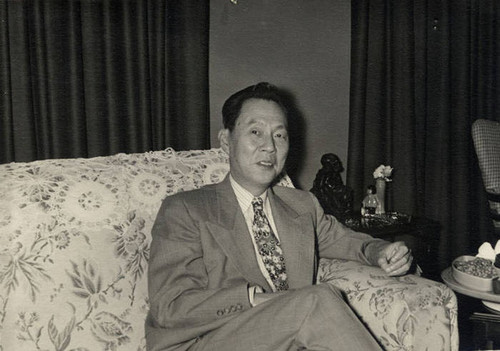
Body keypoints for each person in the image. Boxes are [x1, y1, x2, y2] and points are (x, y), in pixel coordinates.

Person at [145, 82, 413, 351]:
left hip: (284, 341)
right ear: (226, 141)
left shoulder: (301, 205)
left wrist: (381, 251)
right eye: (255, 132)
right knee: (317, 300)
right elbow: (169, 307)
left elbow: (348, 241)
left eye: (279, 136)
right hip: (204, 343)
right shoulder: (185, 209)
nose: (269, 147)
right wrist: (252, 298)